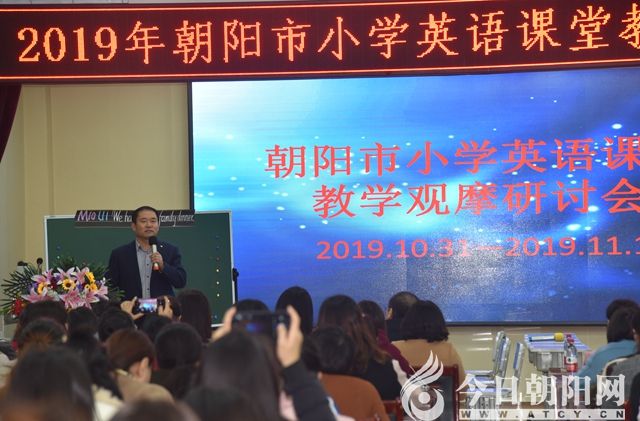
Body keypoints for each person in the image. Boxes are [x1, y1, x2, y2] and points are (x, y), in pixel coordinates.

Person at [107, 205, 187, 300]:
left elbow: (180, 282)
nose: (149, 225)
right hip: (131, 308)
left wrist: (163, 266)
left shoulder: (170, 250)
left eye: (153, 221)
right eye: (143, 221)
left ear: (158, 225)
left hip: (162, 308)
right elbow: (109, 286)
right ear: (134, 226)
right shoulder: (120, 254)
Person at [392, 300, 466, 383]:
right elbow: (462, 386)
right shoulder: (448, 350)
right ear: (439, 324)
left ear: (407, 322)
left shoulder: (394, 349)